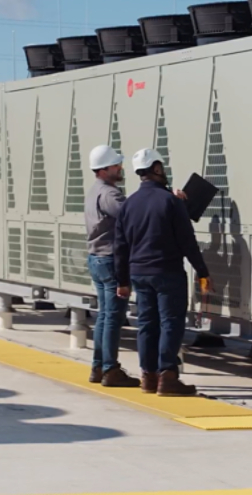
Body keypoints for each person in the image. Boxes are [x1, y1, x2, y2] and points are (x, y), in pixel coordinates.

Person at [114, 148, 213, 396]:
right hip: (167, 271)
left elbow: (120, 246)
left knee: (147, 324)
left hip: (138, 273)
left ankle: (148, 377)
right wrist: (202, 271)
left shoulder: (129, 204)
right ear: (156, 169)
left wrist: (122, 280)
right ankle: (168, 377)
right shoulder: (171, 201)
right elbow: (187, 241)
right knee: (171, 322)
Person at [84, 144, 140, 388]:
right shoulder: (110, 194)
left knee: (104, 317)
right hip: (110, 259)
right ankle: (110, 369)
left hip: (98, 258)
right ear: (105, 169)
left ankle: (98, 366)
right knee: (113, 318)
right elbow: (133, 216)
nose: (120, 168)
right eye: (116, 165)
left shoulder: (95, 190)